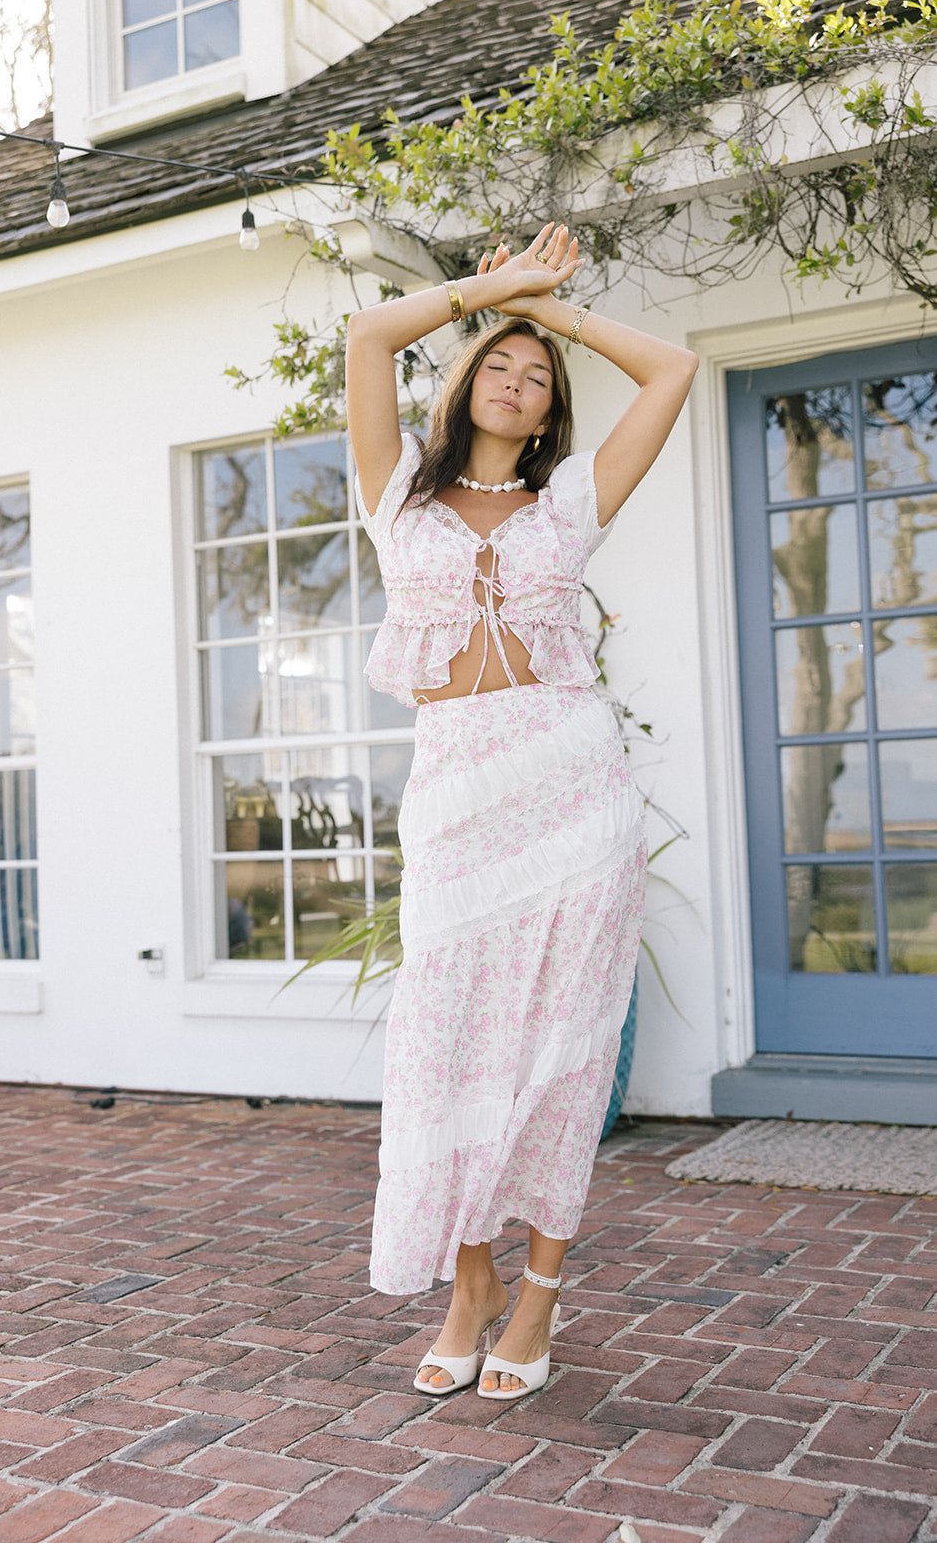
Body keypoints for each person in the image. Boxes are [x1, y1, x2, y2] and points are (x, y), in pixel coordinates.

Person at [346, 223, 697, 1400]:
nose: (516, 375)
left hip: (571, 779)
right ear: (463, 383)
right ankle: (468, 1281)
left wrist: (558, 315)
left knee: (560, 1044)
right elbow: (366, 332)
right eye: (497, 360)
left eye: (535, 369)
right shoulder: (395, 493)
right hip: (456, 791)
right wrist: (500, 290)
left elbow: (673, 370)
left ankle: (537, 1287)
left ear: (548, 406)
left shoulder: (571, 501)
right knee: (447, 1042)